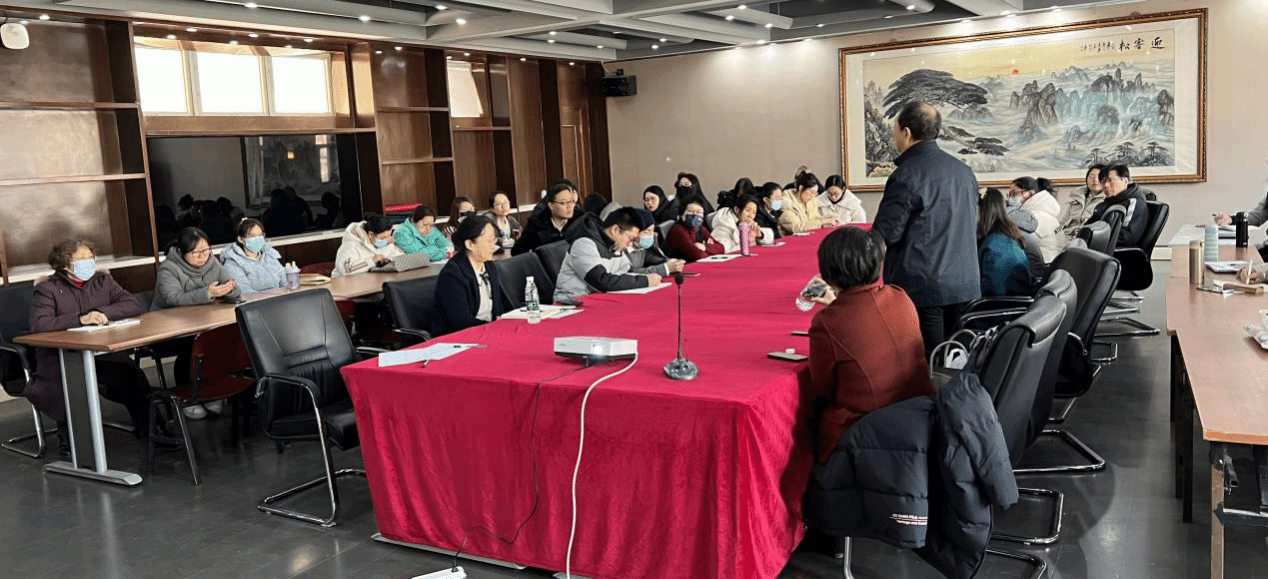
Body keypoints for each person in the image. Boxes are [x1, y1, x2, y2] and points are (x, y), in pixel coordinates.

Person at [806, 226, 934, 464]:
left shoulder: (827, 323)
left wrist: (835, 308)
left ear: (827, 271)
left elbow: (822, 387)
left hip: (868, 431)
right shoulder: (899, 295)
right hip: (922, 416)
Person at [873, 102, 981, 352]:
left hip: (923, 285)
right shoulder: (964, 171)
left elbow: (887, 233)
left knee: (925, 362)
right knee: (954, 359)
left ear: (906, 132)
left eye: (895, 129)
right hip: (965, 282)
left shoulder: (906, 174)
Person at [28, 239, 153, 455]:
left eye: (90, 257)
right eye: (81, 258)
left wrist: (104, 313)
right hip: (61, 356)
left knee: (130, 373)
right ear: (64, 263)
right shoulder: (48, 288)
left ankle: (150, 427)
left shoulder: (103, 281)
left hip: (99, 352)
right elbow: (39, 323)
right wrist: (80, 319)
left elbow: (133, 304)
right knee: (67, 384)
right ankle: (69, 438)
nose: (88, 262)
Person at [153, 227, 241, 419]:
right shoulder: (169, 268)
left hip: (204, 321)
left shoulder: (213, 262)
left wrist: (230, 290)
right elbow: (172, 298)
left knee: (220, 338)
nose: (203, 256)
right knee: (193, 344)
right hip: (169, 329)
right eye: (196, 253)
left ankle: (211, 391)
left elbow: (233, 288)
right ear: (182, 252)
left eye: (206, 250)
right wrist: (208, 293)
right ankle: (187, 398)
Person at [553, 207, 668, 302]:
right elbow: (601, 280)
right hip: (572, 302)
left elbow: (626, 273)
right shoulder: (584, 244)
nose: (630, 244)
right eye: (630, 238)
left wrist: (651, 276)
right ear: (615, 230)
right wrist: (645, 281)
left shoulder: (615, 245)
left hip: (599, 298)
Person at [431, 216, 510, 336]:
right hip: (460, 336)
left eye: (494, 240)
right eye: (488, 241)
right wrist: (494, 328)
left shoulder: (489, 266)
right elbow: (461, 321)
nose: (493, 246)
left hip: (488, 331)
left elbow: (498, 306)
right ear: (470, 244)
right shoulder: (452, 275)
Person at [977, 188, 1034, 297]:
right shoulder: (1001, 236)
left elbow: (995, 292)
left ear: (982, 212)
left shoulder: (998, 245)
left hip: (1000, 305)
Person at [1085, 164, 1154, 248]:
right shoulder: (1107, 202)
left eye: (1110, 180)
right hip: (1097, 247)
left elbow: (1127, 237)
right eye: (1103, 181)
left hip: (1113, 252)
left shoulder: (1134, 203)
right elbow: (1088, 226)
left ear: (1125, 181)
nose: (1106, 185)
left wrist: (1094, 240)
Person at [220, 218, 286, 295]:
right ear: (241, 239)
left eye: (260, 235)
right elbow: (245, 293)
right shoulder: (233, 263)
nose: (257, 239)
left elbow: (284, 280)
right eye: (252, 236)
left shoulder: (269, 255)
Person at [512, 181, 580, 256]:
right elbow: (517, 251)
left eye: (571, 202)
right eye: (563, 203)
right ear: (550, 205)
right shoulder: (536, 224)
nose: (569, 206)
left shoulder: (580, 222)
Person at [1008, 176, 1063, 261]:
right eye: (1009, 194)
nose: (1010, 198)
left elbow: (1020, 241)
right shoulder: (1046, 212)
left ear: (1029, 193)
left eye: (1014, 193)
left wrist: (1011, 207)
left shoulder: (1033, 216)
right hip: (1053, 260)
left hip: (1043, 262)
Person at [333, 214, 403, 277]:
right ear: (371, 234)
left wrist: (390, 259)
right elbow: (345, 270)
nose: (387, 240)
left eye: (388, 236)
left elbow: (399, 255)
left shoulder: (386, 242)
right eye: (383, 238)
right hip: (346, 284)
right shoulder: (350, 245)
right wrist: (372, 261)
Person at [626, 208, 685, 276]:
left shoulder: (639, 246)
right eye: (647, 231)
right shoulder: (621, 248)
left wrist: (670, 262)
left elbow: (649, 257)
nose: (651, 235)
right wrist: (665, 268)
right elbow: (629, 274)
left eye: (652, 231)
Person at [1057, 165, 1106, 240]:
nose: (1095, 180)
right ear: (1087, 179)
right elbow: (1063, 221)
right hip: (1065, 236)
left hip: (1085, 239)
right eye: (1092, 177)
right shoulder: (1077, 197)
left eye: (1099, 177)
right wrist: (1053, 233)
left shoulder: (1106, 201)